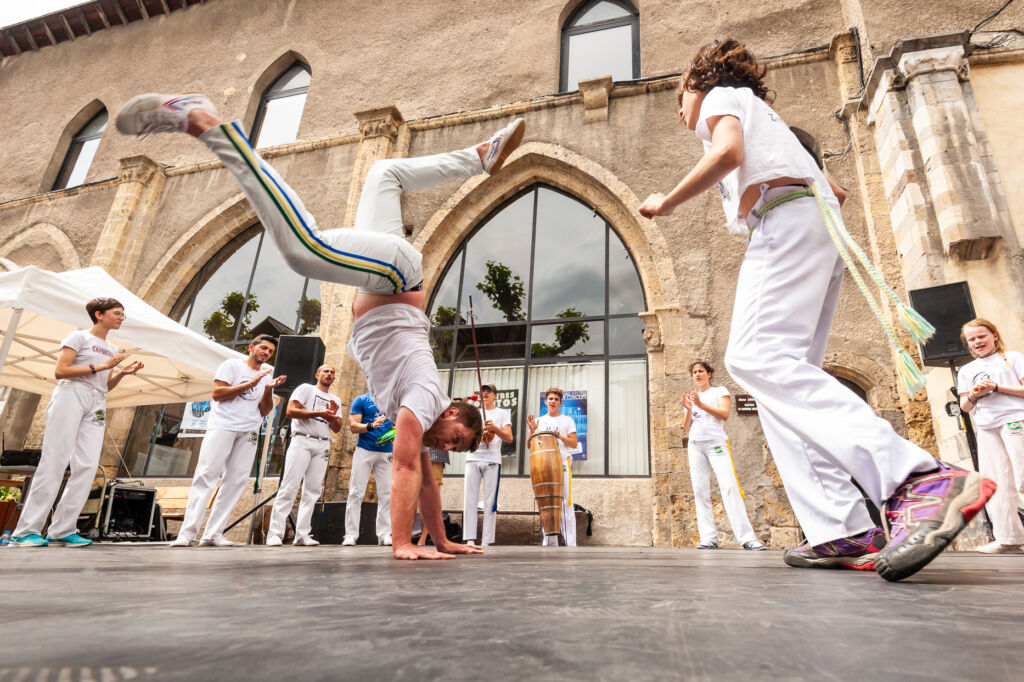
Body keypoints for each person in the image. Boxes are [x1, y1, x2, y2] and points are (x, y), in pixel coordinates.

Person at [638, 39, 996, 581]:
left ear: (697, 85)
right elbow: (838, 192)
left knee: (753, 357)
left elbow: (728, 153)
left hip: (785, 223)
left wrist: (666, 201)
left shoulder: (718, 99)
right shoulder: (771, 121)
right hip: (814, 226)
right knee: (783, 382)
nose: (682, 111)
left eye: (678, 100)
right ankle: (842, 529)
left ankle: (917, 479)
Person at [117, 91, 506, 558]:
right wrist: (402, 543)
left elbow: (424, 479)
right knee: (303, 250)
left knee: (384, 173)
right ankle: (205, 123)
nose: (447, 445)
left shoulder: (424, 416)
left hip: (388, 274)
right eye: (456, 439)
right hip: (392, 276)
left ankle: (479, 156)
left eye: (456, 447)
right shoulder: (425, 400)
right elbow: (404, 470)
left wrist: (443, 540)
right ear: (449, 415)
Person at [9, 298, 143, 547]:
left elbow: (105, 385)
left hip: (97, 402)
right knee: (55, 459)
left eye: (123, 314)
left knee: (88, 465)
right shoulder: (78, 337)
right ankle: (26, 530)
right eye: (117, 313)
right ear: (99, 314)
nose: (122, 317)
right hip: (71, 394)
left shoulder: (113, 349)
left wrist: (122, 373)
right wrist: (103, 365)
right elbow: (61, 371)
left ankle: (62, 528)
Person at [171, 334, 286, 547]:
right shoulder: (232, 365)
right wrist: (250, 383)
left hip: (249, 430)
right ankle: (187, 534)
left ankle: (213, 533)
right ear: (252, 347)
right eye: (263, 348)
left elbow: (264, 410)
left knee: (236, 481)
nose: (266, 353)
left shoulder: (266, 375)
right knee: (206, 475)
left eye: (270, 351)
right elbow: (217, 393)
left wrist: (268, 389)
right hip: (223, 426)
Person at [682, 361, 766, 551]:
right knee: (700, 491)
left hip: (716, 444)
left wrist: (700, 404)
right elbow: (686, 427)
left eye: (701, 371)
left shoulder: (719, 391)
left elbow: (724, 414)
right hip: (695, 445)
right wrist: (688, 409)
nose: (697, 375)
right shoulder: (692, 397)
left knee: (729, 487)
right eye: (694, 372)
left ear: (709, 374)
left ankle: (747, 538)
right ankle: (709, 538)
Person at [958, 318, 1024, 554]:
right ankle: (1009, 538)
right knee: (997, 481)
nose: (977, 342)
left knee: (1022, 477)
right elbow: (965, 406)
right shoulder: (967, 370)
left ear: (994, 335)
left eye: (981, 336)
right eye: (972, 339)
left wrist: (996, 387)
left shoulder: (1013, 358)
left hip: (1016, 421)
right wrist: (975, 395)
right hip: (986, 427)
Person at [266, 365, 344, 547]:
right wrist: (319, 413)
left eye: (333, 372)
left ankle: (302, 535)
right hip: (302, 440)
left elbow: (338, 428)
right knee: (289, 486)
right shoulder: (305, 389)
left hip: (323, 443)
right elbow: (291, 412)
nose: (329, 374)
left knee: (313, 491)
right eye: (326, 371)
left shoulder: (335, 399)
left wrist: (331, 416)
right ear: (317, 374)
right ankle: (275, 534)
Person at [527, 387, 577, 547]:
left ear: (560, 403)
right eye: (550, 399)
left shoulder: (567, 420)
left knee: (566, 502)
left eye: (556, 399)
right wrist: (532, 430)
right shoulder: (539, 421)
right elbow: (530, 445)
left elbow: (574, 443)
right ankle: (550, 541)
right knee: (547, 502)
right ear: (546, 402)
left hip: (562, 463)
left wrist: (560, 436)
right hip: (545, 466)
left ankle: (571, 543)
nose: (553, 401)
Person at [464, 384, 513, 547]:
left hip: (492, 458)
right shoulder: (473, 412)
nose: (485, 393)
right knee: (469, 499)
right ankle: (470, 538)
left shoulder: (502, 413)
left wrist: (494, 429)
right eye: (483, 391)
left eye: (489, 391)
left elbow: (509, 437)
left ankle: (486, 540)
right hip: (473, 456)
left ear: (495, 396)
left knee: (490, 500)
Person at [343, 392, 394, 546]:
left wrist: (396, 431)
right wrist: (371, 426)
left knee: (387, 494)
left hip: (387, 451)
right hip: (364, 450)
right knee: (356, 492)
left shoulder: (392, 400)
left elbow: (399, 424)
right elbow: (353, 426)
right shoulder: (361, 400)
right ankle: (350, 535)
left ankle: (384, 535)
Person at [416, 447, 449, 546]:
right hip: (415, 456)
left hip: (436, 456)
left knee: (431, 499)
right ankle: (408, 537)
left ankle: (423, 537)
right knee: (412, 497)